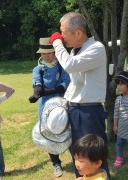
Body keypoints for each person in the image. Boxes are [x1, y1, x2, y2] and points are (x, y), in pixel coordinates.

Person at [49, 12, 110, 179]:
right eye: (59, 35)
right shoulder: (76, 51)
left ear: (78, 32)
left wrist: (56, 43)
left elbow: (69, 65)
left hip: (89, 112)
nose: (61, 37)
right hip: (75, 110)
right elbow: (75, 84)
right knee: (79, 158)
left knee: (94, 157)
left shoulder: (96, 48)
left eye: (63, 32)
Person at [29, 37, 70, 177]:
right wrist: (37, 93)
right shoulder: (38, 69)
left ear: (54, 53)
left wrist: (50, 91)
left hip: (62, 105)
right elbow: (37, 83)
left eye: (49, 53)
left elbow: (66, 83)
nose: (46, 56)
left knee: (68, 131)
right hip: (45, 107)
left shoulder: (61, 66)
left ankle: (77, 157)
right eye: (43, 53)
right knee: (49, 134)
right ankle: (56, 163)